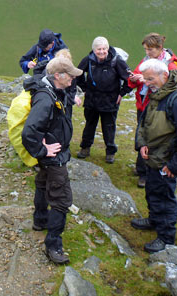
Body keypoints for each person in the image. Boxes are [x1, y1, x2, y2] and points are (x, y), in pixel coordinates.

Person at [131, 59, 177, 253]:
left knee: (165, 197)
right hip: (153, 156)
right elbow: (144, 122)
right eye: (145, 79)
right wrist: (142, 144)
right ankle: (154, 220)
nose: (147, 83)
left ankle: (166, 238)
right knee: (153, 190)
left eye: (150, 79)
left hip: (166, 162)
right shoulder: (158, 94)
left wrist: (175, 166)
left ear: (164, 75)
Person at [21, 57, 83, 264]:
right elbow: (29, 131)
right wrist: (41, 149)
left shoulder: (54, 92)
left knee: (42, 184)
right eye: (71, 75)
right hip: (53, 156)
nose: (74, 78)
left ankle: (40, 221)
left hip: (51, 154)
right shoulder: (46, 99)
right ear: (58, 76)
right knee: (61, 200)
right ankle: (53, 245)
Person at [128, 33, 177, 188]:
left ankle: (145, 174)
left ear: (159, 48)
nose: (147, 53)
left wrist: (147, 81)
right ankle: (140, 168)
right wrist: (134, 79)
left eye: (150, 49)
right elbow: (137, 74)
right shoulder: (147, 60)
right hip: (144, 105)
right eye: (145, 49)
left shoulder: (170, 65)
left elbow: (172, 86)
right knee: (142, 135)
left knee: (152, 138)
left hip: (158, 108)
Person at [76, 37, 132, 163]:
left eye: (104, 49)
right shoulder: (88, 60)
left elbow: (130, 79)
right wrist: (85, 89)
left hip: (110, 101)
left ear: (108, 48)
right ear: (93, 49)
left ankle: (110, 152)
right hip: (92, 100)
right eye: (98, 49)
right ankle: (85, 148)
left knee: (109, 127)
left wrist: (122, 93)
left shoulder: (117, 61)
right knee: (89, 125)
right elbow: (77, 75)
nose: (102, 52)